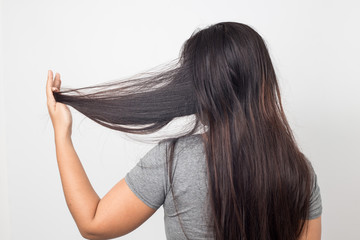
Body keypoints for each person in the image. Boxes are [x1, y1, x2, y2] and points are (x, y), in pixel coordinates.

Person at [46, 22, 322, 240]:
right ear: (263, 80)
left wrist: (62, 134)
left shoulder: (175, 158)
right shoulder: (298, 170)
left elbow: (93, 224)